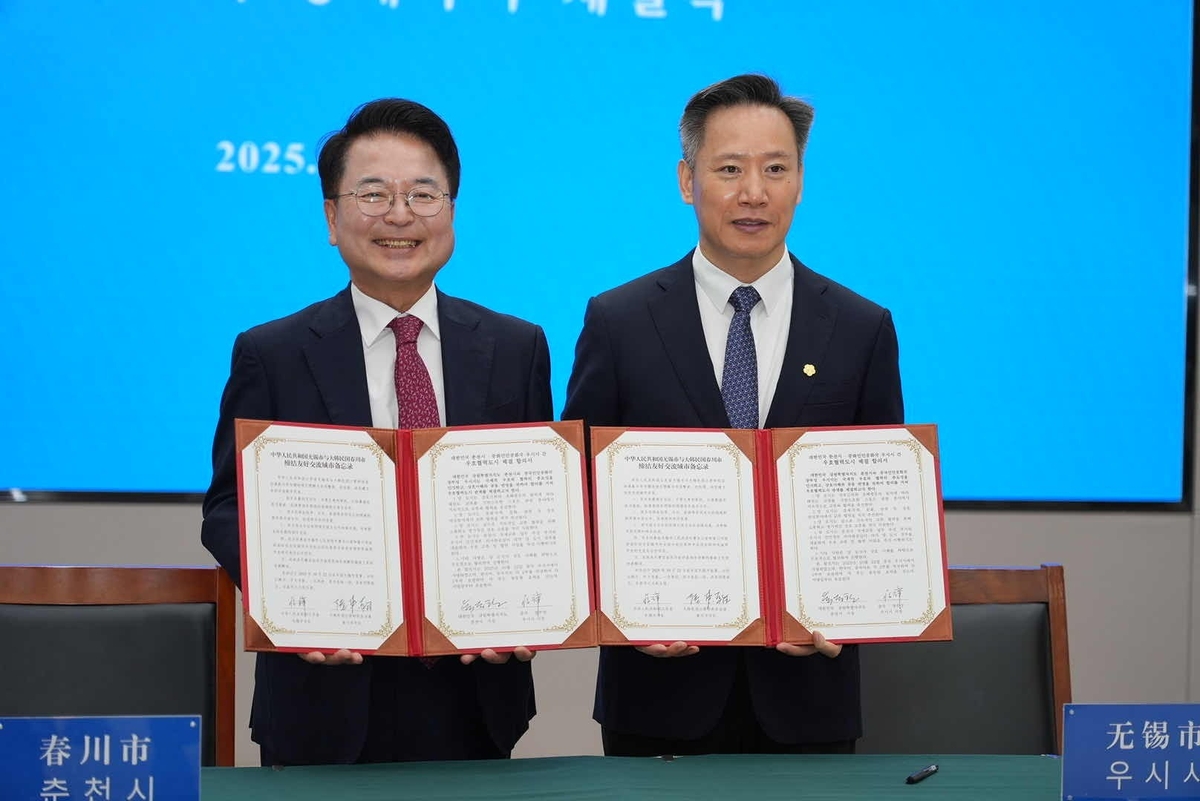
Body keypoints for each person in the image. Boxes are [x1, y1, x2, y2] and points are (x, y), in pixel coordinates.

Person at [201, 98, 550, 766]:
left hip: (476, 694)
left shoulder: (516, 347)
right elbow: (226, 508)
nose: (398, 215)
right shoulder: (272, 352)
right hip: (320, 693)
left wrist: (533, 599)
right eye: (373, 194)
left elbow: (538, 503)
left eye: (423, 193)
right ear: (332, 218)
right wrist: (292, 601)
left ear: (451, 211)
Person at [562, 74, 903, 756]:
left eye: (776, 169)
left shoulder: (862, 327)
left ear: (801, 181)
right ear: (687, 180)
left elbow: (881, 503)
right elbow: (577, 492)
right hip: (658, 698)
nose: (754, 192)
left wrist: (853, 602)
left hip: (810, 698)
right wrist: (621, 609)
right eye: (729, 169)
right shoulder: (620, 321)